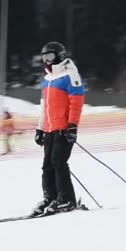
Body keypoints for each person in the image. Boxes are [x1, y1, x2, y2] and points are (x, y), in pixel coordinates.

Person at [32, 42, 85, 215]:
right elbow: (44, 107)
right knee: (47, 166)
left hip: (63, 129)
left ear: (60, 56)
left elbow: (76, 102)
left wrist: (72, 126)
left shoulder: (70, 75)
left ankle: (67, 199)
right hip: (49, 129)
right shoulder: (46, 80)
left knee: (59, 163)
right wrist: (40, 129)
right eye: (44, 57)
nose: (47, 60)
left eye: (50, 56)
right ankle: (51, 197)